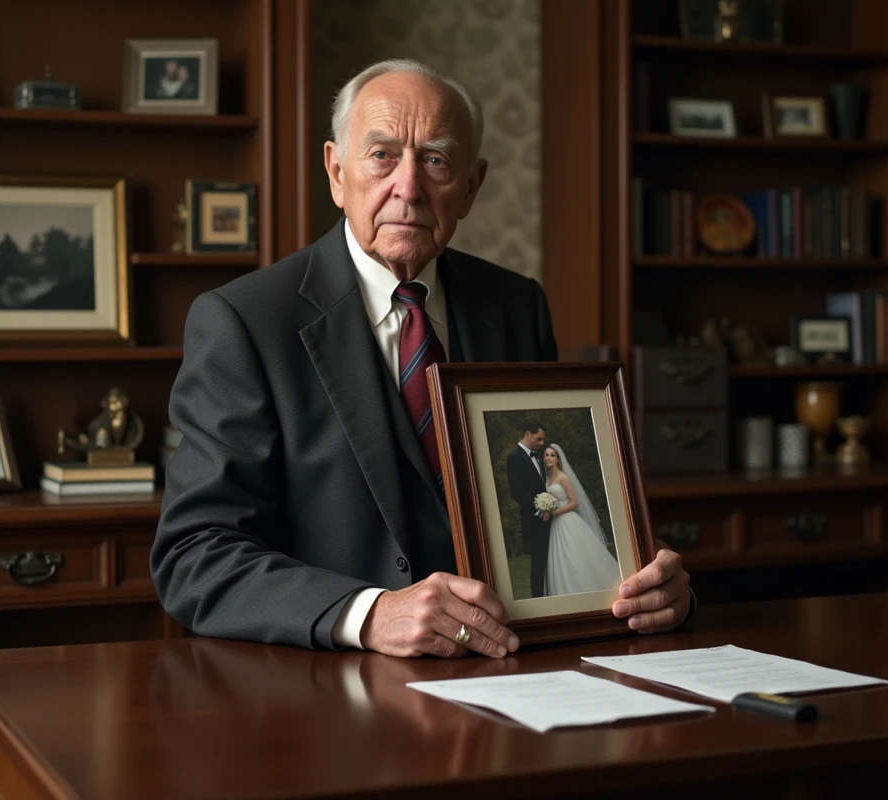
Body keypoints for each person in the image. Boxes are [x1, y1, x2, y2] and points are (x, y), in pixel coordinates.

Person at [152, 58, 693, 660]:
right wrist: (370, 613)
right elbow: (194, 555)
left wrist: (648, 584)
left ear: (471, 185)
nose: (408, 187)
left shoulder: (517, 306)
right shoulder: (244, 322)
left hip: (514, 674)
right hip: (330, 691)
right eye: (381, 155)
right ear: (336, 171)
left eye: (436, 160)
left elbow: (546, 505)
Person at [541, 444, 622, 597]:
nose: (548, 458)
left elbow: (574, 502)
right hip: (556, 525)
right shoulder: (547, 479)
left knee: (575, 556)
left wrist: (556, 512)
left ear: (558, 459)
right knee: (560, 561)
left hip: (568, 522)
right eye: (546, 455)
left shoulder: (563, 477)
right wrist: (546, 509)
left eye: (552, 455)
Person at [505, 419, 552, 598]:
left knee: (549, 560)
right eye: (538, 439)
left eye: (542, 440)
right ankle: (538, 600)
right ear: (527, 434)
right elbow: (516, 491)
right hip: (533, 520)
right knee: (538, 562)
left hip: (549, 519)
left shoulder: (539, 458)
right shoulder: (515, 457)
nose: (541, 444)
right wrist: (540, 509)